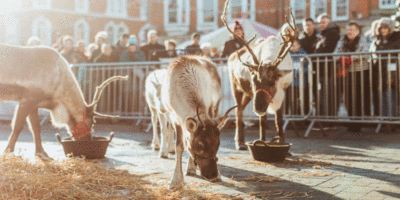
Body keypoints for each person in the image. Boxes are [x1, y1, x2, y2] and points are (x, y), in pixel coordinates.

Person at [334, 21, 370, 132]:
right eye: (348, 29)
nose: (350, 32)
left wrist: (352, 57)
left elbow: (366, 53)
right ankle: (351, 120)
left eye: (352, 30)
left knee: (359, 96)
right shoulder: (342, 40)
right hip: (347, 72)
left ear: (358, 31)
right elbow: (335, 53)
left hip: (360, 71)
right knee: (348, 97)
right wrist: (342, 58)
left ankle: (357, 122)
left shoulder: (362, 39)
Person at [370, 18, 400, 120]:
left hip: (392, 72)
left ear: (390, 28)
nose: (383, 30)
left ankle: (391, 120)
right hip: (379, 72)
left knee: (390, 97)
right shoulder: (378, 40)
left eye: (385, 28)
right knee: (382, 97)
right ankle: (384, 119)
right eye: (381, 28)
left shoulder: (396, 38)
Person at [313, 13, 341, 118]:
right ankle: (328, 117)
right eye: (320, 22)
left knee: (328, 95)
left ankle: (329, 118)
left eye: (324, 22)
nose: (321, 24)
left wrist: (316, 55)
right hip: (323, 69)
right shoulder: (324, 34)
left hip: (328, 70)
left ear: (329, 22)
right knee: (325, 95)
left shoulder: (332, 33)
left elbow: (328, 49)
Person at [286, 40, 309, 116]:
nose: (292, 47)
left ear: (299, 45)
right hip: (289, 83)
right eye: (290, 45)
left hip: (300, 83)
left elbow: (308, 67)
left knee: (298, 101)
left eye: (293, 45)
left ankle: (298, 117)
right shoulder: (287, 54)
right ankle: (290, 118)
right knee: (289, 101)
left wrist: (299, 72)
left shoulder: (304, 54)